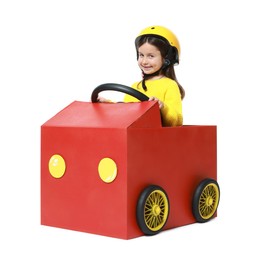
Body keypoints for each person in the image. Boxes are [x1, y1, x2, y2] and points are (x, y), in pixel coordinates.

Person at [98, 25, 185, 127]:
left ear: (167, 58)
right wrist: (107, 104)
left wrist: (162, 107)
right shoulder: (136, 86)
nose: (144, 61)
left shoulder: (169, 85)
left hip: (157, 139)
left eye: (151, 56)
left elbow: (176, 122)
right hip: (135, 137)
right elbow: (125, 113)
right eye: (141, 55)